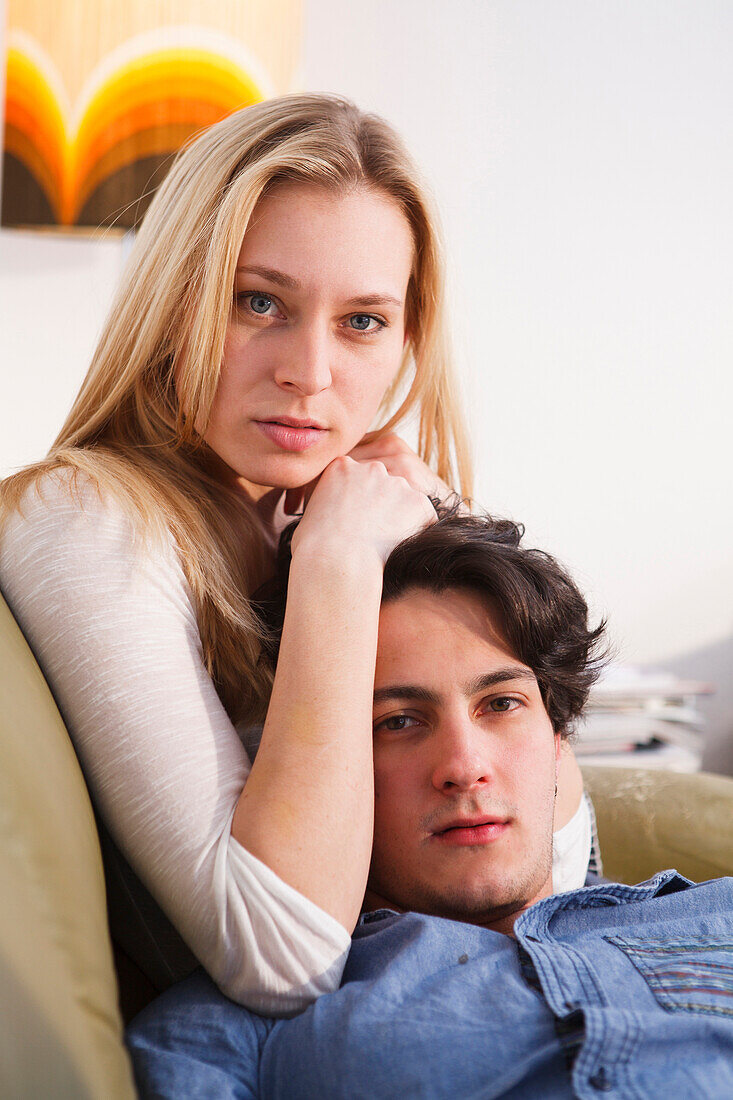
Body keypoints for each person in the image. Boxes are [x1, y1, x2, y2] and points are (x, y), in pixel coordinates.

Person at [0, 94, 589, 1016]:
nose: (308, 374)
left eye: (361, 322)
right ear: (175, 300)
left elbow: (559, 854)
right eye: (259, 302)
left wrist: (431, 529)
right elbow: (280, 960)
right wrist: (338, 568)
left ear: (407, 340)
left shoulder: (346, 501)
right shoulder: (84, 517)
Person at [126, 512, 733, 1099]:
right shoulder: (238, 1030)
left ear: (558, 738)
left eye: (500, 704)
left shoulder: (714, 914)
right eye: (398, 721)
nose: (463, 767)